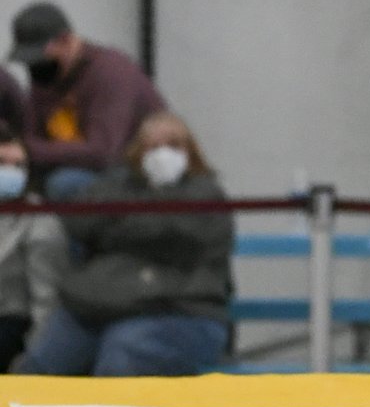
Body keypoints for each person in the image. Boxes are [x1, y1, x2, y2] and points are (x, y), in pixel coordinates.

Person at [17, 111, 233, 376]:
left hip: (177, 311)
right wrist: (141, 220)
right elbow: (80, 220)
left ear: (191, 151)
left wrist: (118, 225)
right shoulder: (115, 184)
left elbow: (176, 234)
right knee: (38, 366)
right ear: (137, 152)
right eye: (152, 147)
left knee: (121, 356)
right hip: (96, 305)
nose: (162, 154)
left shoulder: (207, 194)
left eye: (173, 145)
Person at [7, 1, 166, 200]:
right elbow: (31, 134)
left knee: (65, 183)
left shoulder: (111, 73)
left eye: (40, 58)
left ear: (66, 41)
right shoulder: (48, 77)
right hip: (79, 165)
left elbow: (102, 152)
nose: (35, 68)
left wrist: (29, 150)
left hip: (136, 172)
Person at [0, 122, 69, 371]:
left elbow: (47, 302)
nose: (11, 172)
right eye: (2, 163)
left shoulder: (40, 221)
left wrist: (31, 364)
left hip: (10, 322)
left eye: (19, 165)